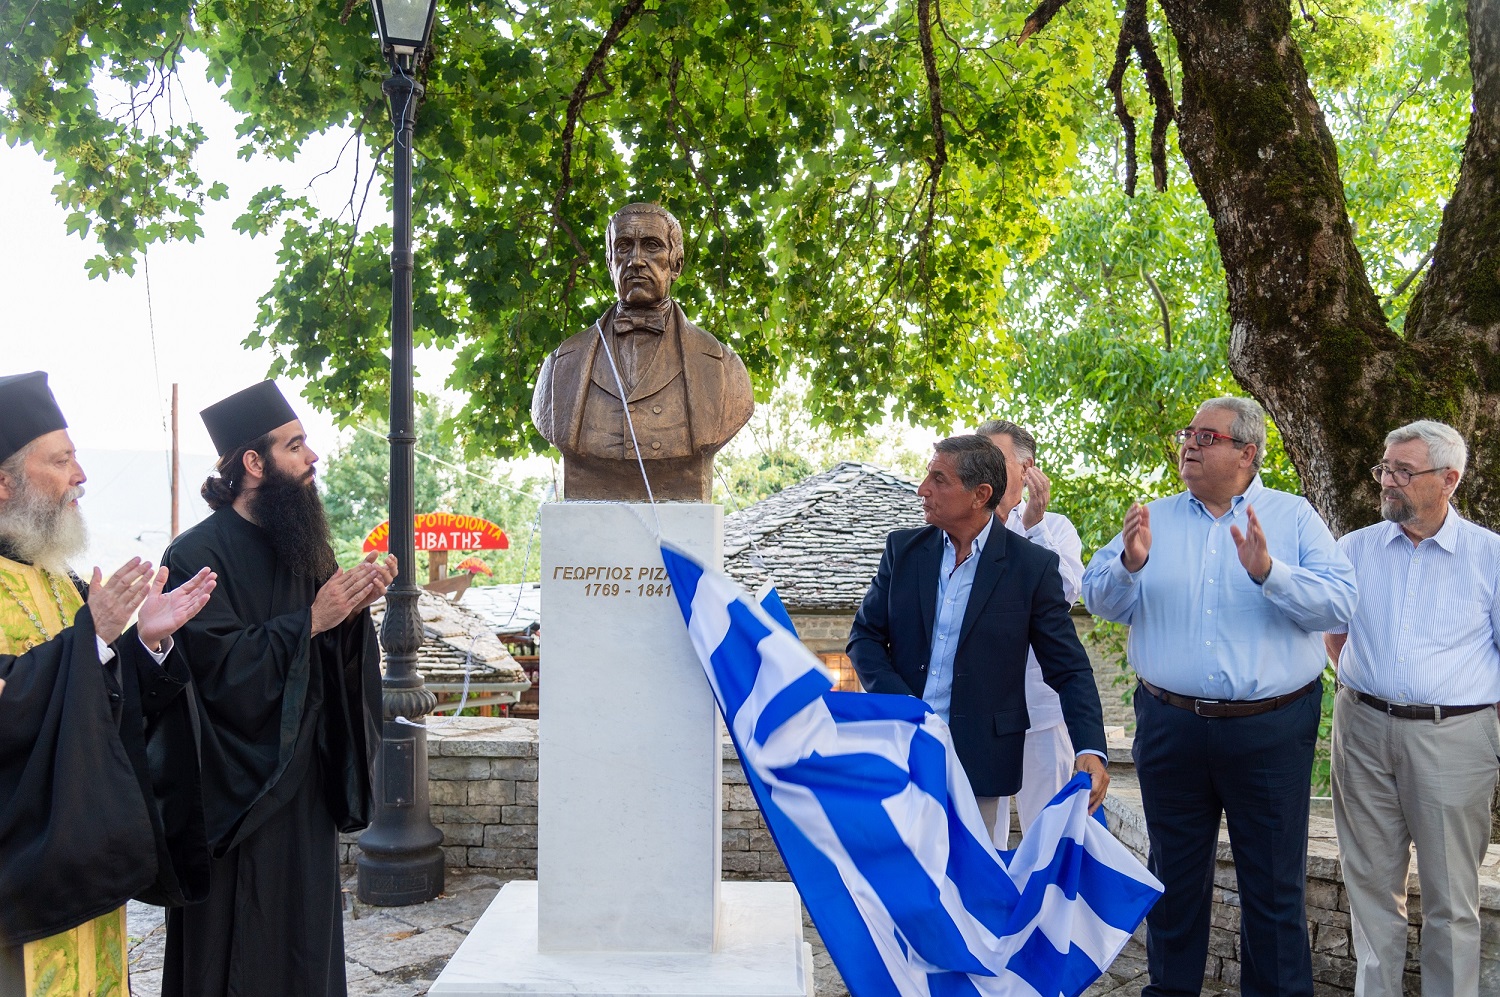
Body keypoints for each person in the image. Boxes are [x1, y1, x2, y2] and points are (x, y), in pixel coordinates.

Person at [1082, 395, 1357, 997]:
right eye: (1189, 433)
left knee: (1273, 884)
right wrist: (1129, 564)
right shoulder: (1152, 517)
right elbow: (1096, 595)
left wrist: (1270, 574)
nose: (1190, 443)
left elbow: (1341, 604)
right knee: (1174, 878)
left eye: (1207, 436)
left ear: (1246, 452)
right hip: (1170, 725)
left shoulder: (1293, 518)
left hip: (1271, 728)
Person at [160, 380, 395, 997]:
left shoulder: (304, 550)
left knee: (304, 951)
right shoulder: (193, 556)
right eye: (296, 447)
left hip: (303, 794)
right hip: (232, 803)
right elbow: (208, 676)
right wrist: (311, 621)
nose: (312, 458)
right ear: (254, 463)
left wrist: (348, 616)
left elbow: (328, 657)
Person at [0, 370, 215, 997]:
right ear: (4, 481)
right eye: (61, 460)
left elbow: (95, 706)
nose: (80, 477)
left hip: (81, 864)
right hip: (22, 878)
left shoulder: (56, 576)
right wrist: (90, 639)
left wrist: (140, 643)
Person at [848, 435, 1109, 823]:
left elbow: (1069, 668)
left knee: (972, 884)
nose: (923, 490)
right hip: (902, 751)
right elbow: (864, 638)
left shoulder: (1031, 568)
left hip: (981, 765)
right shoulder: (902, 551)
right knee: (900, 881)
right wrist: (905, 706)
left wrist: (1090, 746)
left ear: (979, 494)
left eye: (938, 480)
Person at [1325, 420, 1500, 997]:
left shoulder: (1490, 556)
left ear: (1449, 479)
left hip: (1454, 736)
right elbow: (1335, 636)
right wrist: (1368, 689)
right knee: (1372, 889)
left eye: (1405, 472)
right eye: (1385, 469)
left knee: (1451, 897)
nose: (1388, 482)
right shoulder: (1354, 550)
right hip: (1362, 729)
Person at [530, 202, 754, 501]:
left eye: (651, 246)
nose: (635, 260)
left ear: (676, 264)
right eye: (623, 247)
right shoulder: (562, 364)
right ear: (610, 262)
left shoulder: (723, 367)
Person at [976, 418, 1085, 848]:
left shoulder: (1055, 529)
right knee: (983, 837)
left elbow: (1062, 594)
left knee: (1050, 835)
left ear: (1028, 469)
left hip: (1041, 710)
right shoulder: (965, 530)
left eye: (996, 461)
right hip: (980, 713)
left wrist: (1035, 526)